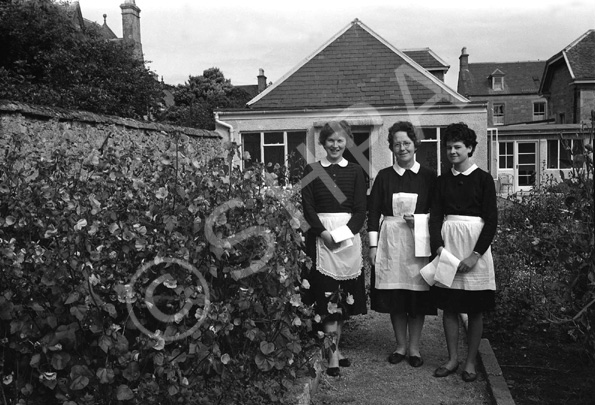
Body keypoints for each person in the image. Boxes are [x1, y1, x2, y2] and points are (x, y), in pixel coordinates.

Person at [429, 122, 497, 382]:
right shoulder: (442, 181)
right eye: (448, 147)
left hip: (475, 247)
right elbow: (435, 216)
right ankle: (452, 359)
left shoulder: (483, 179)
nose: (452, 152)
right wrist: (438, 247)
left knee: (475, 309)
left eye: (457, 147)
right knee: (450, 307)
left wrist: (475, 255)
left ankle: (470, 362)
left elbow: (491, 221)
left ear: (470, 148)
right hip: (449, 247)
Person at [368, 121, 437, 368]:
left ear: (415, 145)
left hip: (419, 244)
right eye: (397, 144)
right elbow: (373, 211)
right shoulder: (384, 176)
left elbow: (437, 212)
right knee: (396, 296)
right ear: (391, 147)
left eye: (406, 143)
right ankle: (400, 345)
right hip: (391, 243)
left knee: (416, 297)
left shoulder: (428, 176)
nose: (402, 148)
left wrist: (420, 220)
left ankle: (415, 348)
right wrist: (373, 247)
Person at [301, 120, 368, 377]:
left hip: (347, 241)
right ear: (323, 143)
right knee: (326, 298)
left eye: (340, 141)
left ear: (347, 142)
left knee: (340, 301)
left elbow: (361, 211)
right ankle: (332, 358)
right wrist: (325, 234)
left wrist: (342, 234)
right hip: (321, 240)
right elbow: (308, 208)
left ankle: (335, 349)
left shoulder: (355, 171)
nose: (335, 145)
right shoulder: (312, 169)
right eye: (330, 140)